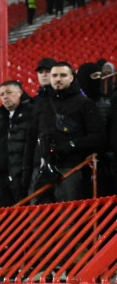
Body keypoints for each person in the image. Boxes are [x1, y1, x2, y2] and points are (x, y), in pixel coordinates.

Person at [29, 62, 106, 202]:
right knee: (38, 219)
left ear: (72, 78)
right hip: (40, 170)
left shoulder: (84, 103)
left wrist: (71, 145)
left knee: (68, 219)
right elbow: (31, 139)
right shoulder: (40, 105)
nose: (58, 79)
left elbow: (98, 136)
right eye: (55, 75)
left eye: (63, 75)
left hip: (70, 168)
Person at [0, 81, 35, 207]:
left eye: (9, 92)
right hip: (1, 180)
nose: (5, 97)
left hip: (21, 178)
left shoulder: (31, 113)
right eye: (2, 94)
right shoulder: (1, 119)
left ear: (20, 93)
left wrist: (25, 175)